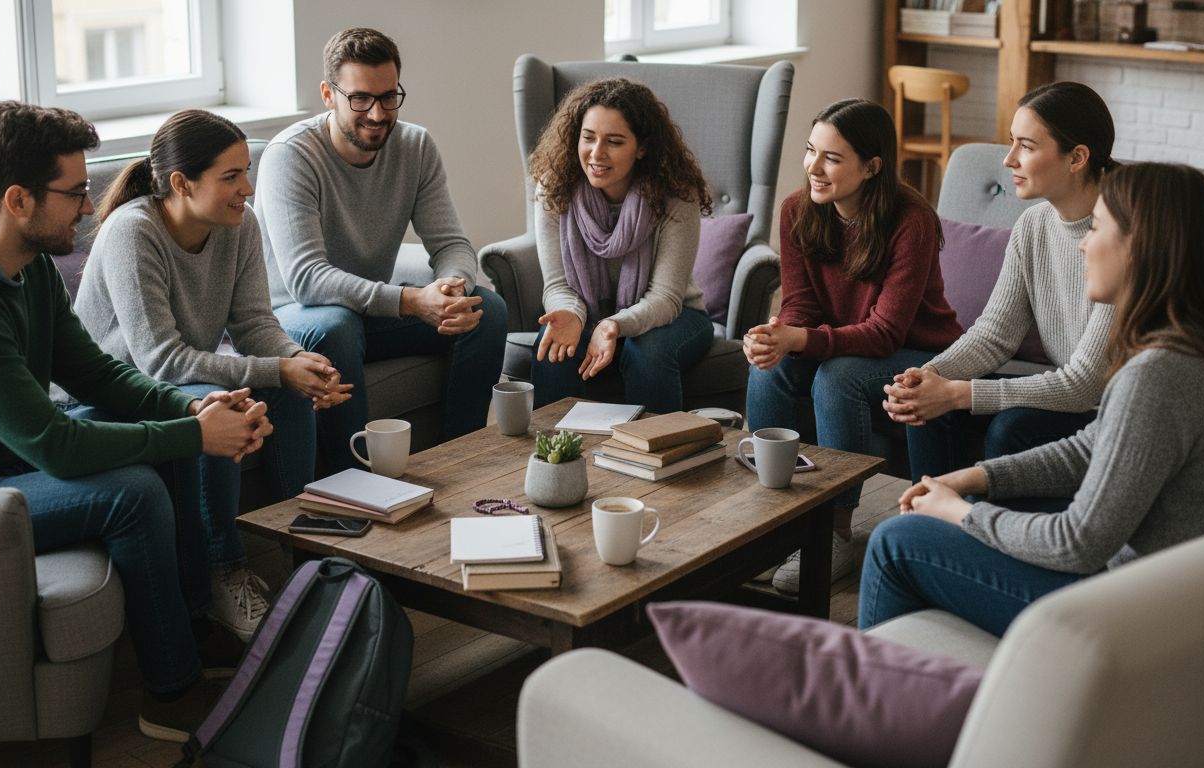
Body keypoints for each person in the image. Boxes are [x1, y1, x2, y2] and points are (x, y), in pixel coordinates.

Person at [0, 101, 272, 741]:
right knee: (131, 494)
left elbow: (99, 377)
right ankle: (170, 693)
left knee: (176, 432)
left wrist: (190, 407)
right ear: (19, 200)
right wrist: (195, 431)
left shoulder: (30, 264)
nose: (88, 204)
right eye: (74, 192)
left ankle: (190, 628)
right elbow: (56, 446)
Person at [860, 162, 1204, 636]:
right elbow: (1094, 445)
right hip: (1177, 596)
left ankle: (886, 699)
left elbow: (1077, 542)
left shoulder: (1157, 375)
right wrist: (977, 476)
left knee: (897, 541)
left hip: (1130, 613)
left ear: (1142, 247)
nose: (1083, 243)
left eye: (1099, 227)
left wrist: (961, 513)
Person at [76, 109, 353, 643]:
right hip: (105, 398)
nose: (247, 189)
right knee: (218, 405)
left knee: (288, 391)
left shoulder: (238, 224)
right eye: (231, 177)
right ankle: (222, 574)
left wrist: (299, 362)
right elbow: (160, 361)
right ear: (181, 183)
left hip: (177, 385)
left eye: (246, 172)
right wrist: (277, 367)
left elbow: (253, 323)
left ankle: (312, 551)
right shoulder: (133, 233)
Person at [255, 27, 506, 468]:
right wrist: (412, 301)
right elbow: (306, 279)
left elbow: (451, 243)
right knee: (335, 325)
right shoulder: (291, 155)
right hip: (291, 317)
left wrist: (452, 286)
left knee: (486, 311)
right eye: (360, 99)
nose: (377, 113)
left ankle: (462, 463)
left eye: (389, 97)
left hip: (365, 314)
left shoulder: (415, 146)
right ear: (328, 95)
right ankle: (351, 484)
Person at [744, 99, 962, 595]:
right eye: (810, 151)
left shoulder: (911, 220)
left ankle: (835, 532)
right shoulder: (798, 209)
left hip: (919, 352)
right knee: (768, 368)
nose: (813, 168)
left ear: (871, 167)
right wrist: (776, 335)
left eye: (832, 158)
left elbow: (885, 331)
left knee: (836, 376)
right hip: (841, 345)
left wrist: (800, 339)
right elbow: (799, 304)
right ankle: (769, 521)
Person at [883, 82, 1118, 489]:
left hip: (1112, 409)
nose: (1009, 159)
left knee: (1011, 428)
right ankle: (933, 524)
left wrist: (957, 394)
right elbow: (994, 335)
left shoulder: (1124, 234)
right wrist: (929, 376)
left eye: (1026, 146)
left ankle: (981, 534)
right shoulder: (1032, 226)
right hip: (1071, 395)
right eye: (1011, 143)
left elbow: (1084, 385)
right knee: (927, 406)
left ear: (1077, 157)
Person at [527, 77, 714, 413]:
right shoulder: (553, 189)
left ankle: (656, 455)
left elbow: (666, 298)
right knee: (553, 344)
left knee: (648, 351)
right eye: (588, 138)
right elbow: (558, 285)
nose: (596, 154)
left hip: (673, 317)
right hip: (589, 312)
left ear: (641, 147)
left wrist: (613, 325)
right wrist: (571, 315)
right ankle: (555, 458)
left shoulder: (675, 196)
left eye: (614, 141)